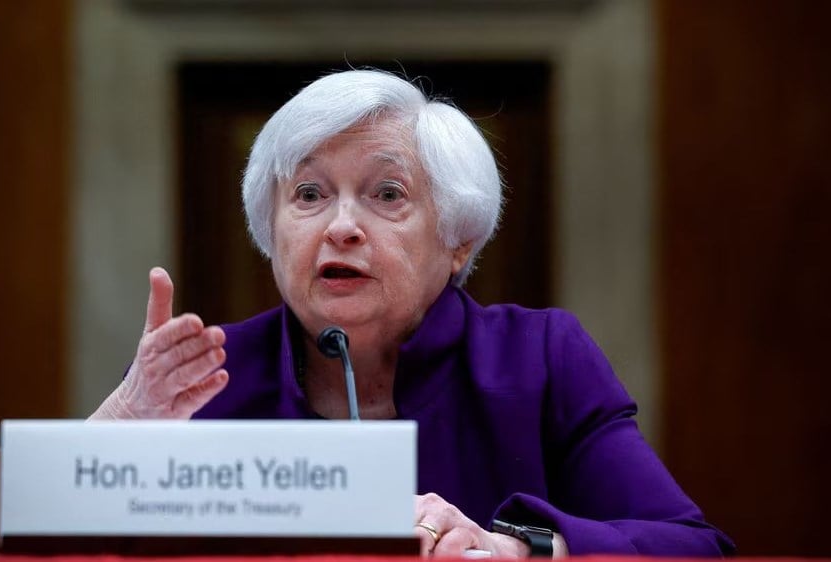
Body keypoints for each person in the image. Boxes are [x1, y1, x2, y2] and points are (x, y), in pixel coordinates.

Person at [90, 69, 735, 557]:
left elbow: (691, 545)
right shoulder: (200, 375)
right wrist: (120, 424)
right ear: (272, 230)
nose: (341, 226)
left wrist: (517, 547)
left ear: (457, 240)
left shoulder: (539, 359)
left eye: (387, 194)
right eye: (309, 194)